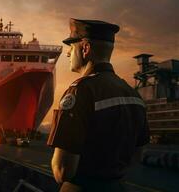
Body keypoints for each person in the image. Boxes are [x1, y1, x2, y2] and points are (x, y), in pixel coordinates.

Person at [47, 19, 150, 192]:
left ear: (85, 48)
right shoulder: (133, 94)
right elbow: (138, 155)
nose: (68, 54)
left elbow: (62, 171)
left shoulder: (80, 91)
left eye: (71, 48)